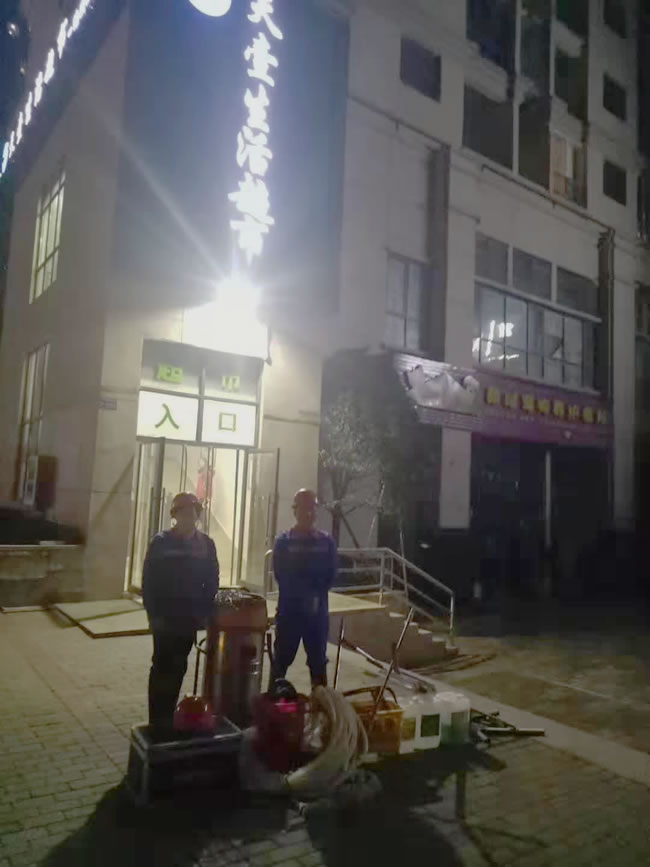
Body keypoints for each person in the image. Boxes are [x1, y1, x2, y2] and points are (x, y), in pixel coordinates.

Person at [142, 492, 219, 736]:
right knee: (161, 667)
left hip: (188, 620)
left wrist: (203, 613)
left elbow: (212, 581)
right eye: (182, 512)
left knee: (178, 667)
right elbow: (149, 582)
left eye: (191, 512)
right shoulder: (161, 542)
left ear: (197, 514)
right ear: (175, 515)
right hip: (165, 619)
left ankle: (167, 719)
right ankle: (157, 720)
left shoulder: (206, 545)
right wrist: (153, 616)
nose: (187, 516)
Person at [272, 489, 337, 688]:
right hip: (289, 614)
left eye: (311, 508)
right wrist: (303, 595)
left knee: (318, 665)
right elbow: (281, 575)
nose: (308, 513)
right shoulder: (283, 543)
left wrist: (313, 595)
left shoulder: (326, 543)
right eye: (304, 508)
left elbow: (331, 576)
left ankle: (321, 704)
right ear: (295, 511)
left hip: (316, 617)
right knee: (281, 662)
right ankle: (273, 702)